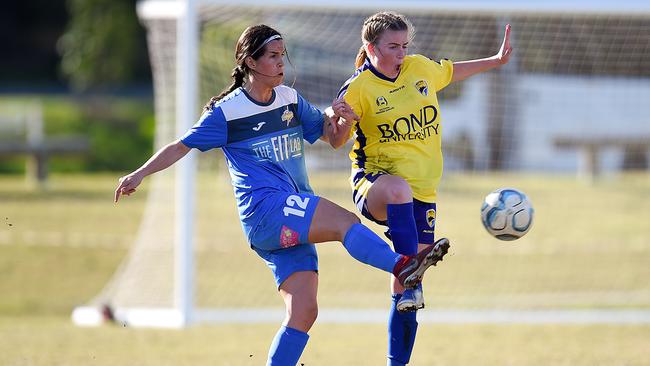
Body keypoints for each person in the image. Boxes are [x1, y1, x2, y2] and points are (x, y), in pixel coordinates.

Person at [114, 24, 450, 366]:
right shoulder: (227, 112)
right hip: (266, 210)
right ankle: (403, 267)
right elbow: (179, 146)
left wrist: (345, 120)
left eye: (282, 56)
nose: (280, 63)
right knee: (343, 222)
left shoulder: (290, 100)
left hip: (289, 215)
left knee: (304, 312)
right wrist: (139, 174)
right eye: (273, 57)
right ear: (250, 61)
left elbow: (332, 138)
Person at [336, 12, 513, 366]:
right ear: (371, 48)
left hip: (425, 192)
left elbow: (450, 71)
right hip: (375, 184)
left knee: (404, 293)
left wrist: (495, 61)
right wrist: (342, 119)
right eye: (392, 47)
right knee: (400, 194)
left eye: (404, 45)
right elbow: (334, 140)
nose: (401, 53)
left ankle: (396, 361)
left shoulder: (419, 69)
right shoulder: (358, 87)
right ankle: (411, 272)